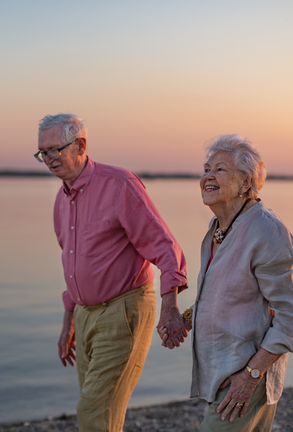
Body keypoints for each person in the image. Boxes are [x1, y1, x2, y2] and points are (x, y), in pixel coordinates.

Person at [35, 113, 190, 432]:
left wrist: (170, 308)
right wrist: (69, 322)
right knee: (99, 414)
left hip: (123, 310)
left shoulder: (119, 184)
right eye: (43, 153)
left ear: (80, 145)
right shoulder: (61, 199)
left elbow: (165, 247)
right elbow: (72, 262)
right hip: (84, 314)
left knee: (93, 410)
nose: (48, 159)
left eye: (54, 150)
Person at [159, 134, 293, 432]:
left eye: (220, 169)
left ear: (246, 184)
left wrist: (250, 376)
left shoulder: (265, 230)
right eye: (206, 169)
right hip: (223, 371)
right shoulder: (219, 228)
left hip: (246, 373)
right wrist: (185, 319)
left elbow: (292, 315)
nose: (207, 177)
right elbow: (225, 296)